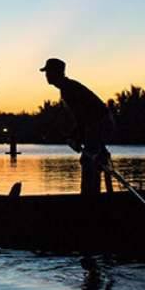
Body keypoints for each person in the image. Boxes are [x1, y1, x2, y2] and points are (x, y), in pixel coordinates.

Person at [40, 58, 115, 195]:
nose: (46, 75)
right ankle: (97, 193)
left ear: (56, 73)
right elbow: (80, 118)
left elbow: (82, 117)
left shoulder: (68, 89)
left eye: (48, 72)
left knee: (88, 160)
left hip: (100, 123)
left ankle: (88, 197)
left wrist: (77, 137)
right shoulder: (67, 87)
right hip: (98, 123)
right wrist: (75, 136)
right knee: (97, 158)